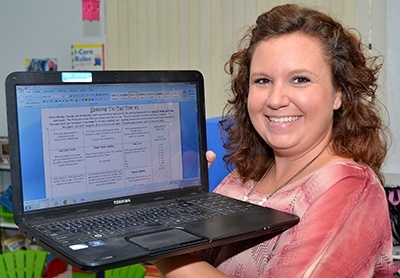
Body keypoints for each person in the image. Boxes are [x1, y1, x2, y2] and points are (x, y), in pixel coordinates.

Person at [153, 4, 393, 277]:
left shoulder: (350, 188)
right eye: (263, 80)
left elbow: (181, 260)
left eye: (300, 79)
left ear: (339, 93)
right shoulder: (244, 178)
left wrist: (162, 248)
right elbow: (198, 257)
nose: (276, 99)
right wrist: (175, 203)